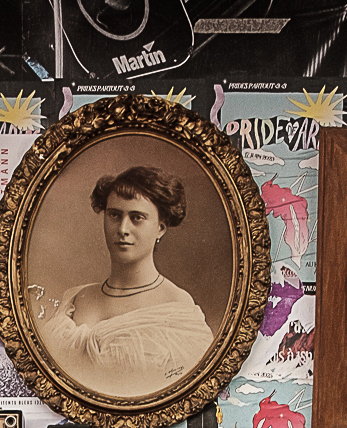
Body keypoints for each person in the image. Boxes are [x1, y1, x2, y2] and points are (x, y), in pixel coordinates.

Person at [33, 165, 214, 397]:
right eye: (114, 215)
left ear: (160, 228)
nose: (122, 229)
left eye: (137, 218)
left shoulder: (177, 307)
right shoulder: (76, 297)